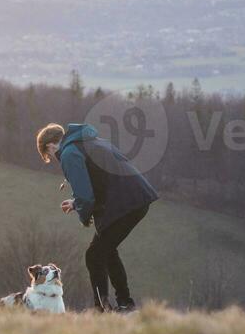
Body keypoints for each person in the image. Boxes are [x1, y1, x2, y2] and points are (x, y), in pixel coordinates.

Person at [36, 122, 158, 312]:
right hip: (135, 198)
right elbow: (96, 182)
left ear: (50, 146)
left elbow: (86, 195)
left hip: (126, 203)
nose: (53, 157)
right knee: (105, 251)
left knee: (94, 255)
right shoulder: (87, 141)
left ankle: (102, 309)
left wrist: (83, 214)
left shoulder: (68, 153)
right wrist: (77, 204)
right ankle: (124, 303)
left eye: (49, 155)